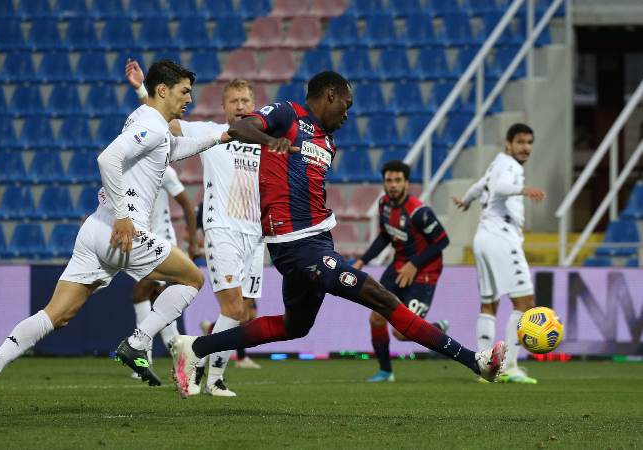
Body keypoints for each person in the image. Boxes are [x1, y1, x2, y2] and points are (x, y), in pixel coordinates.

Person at [169, 71, 507, 399]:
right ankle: (474, 360)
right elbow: (240, 127)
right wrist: (272, 141)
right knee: (383, 298)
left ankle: (195, 346)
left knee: (294, 327)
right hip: (296, 245)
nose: (347, 114)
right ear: (329, 95)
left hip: (316, 241)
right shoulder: (288, 113)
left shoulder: (328, 142)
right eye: (345, 104)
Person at [0, 59, 232, 418]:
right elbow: (107, 159)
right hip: (123, 234)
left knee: (56, 315)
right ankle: (137, 344)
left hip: (94, 230)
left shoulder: (144, 118)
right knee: (192, 278)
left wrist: (221, 136)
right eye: (185, 91)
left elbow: (172, 148)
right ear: (164, 90)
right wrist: (123, 217)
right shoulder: (152, 125)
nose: (190, 98)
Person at [126, 60, 265, 396]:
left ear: (254, 104)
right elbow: (164, 123)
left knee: (244, 313)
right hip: (223, 231)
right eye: (233, 101)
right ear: (224, 107)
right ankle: (210, 373)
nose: (240, 106)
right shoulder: (210, 132)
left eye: (245, 100)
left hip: (256, 236)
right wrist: (142, 90)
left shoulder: (265, 142)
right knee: (231, 307)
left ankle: (203, 363)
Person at [452, 123, 546, 384]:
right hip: (502, 237)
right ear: (508, 143)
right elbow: (500, 187)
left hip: (483, 238)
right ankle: (509, 367)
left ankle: (486, 368)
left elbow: (481, 185)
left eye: (529, 142)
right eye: (521, 142)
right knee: (525, 304)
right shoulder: (510, 166)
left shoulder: (497, 163)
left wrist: (466, 200)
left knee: (489, 304)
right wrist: (523, 189)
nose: (526, 147)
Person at [352, 160, 450, 383]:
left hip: (425, 272)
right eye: (389, 181)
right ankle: (386, 372)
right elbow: (386, 235)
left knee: (402, 332)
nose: (393, 185)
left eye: (398, 180)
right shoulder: (384, 204)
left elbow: (442, 241)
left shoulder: (419, 211)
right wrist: (362, 260)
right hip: (398, 267)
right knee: (376, 318)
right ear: (384, 183)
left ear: (406, 183)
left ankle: (436, 329)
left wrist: (414, 263)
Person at [129, 165, 199, 378]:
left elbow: (187, 206)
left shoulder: (164, 171)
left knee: (140, 293)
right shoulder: (129, 171)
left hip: (162, 242)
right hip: (141, 244)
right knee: (159, 303)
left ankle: (143, 357)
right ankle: (183, 359)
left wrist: (193, 243)